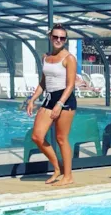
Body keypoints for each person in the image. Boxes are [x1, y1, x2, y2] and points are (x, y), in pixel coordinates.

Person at [26, 24, 78, 186]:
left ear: (65, 40)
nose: (58, 40)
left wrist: (60, 104)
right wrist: (33, 99)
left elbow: (70, 85)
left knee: (61, 138)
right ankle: (57, 168)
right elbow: (43, 82)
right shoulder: (45, 57)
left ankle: (68, 176)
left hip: (65, 99)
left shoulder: (69, 58)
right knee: (37, 136)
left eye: (62, 38)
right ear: (50, 37)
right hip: (49, 98)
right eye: (56, 37)